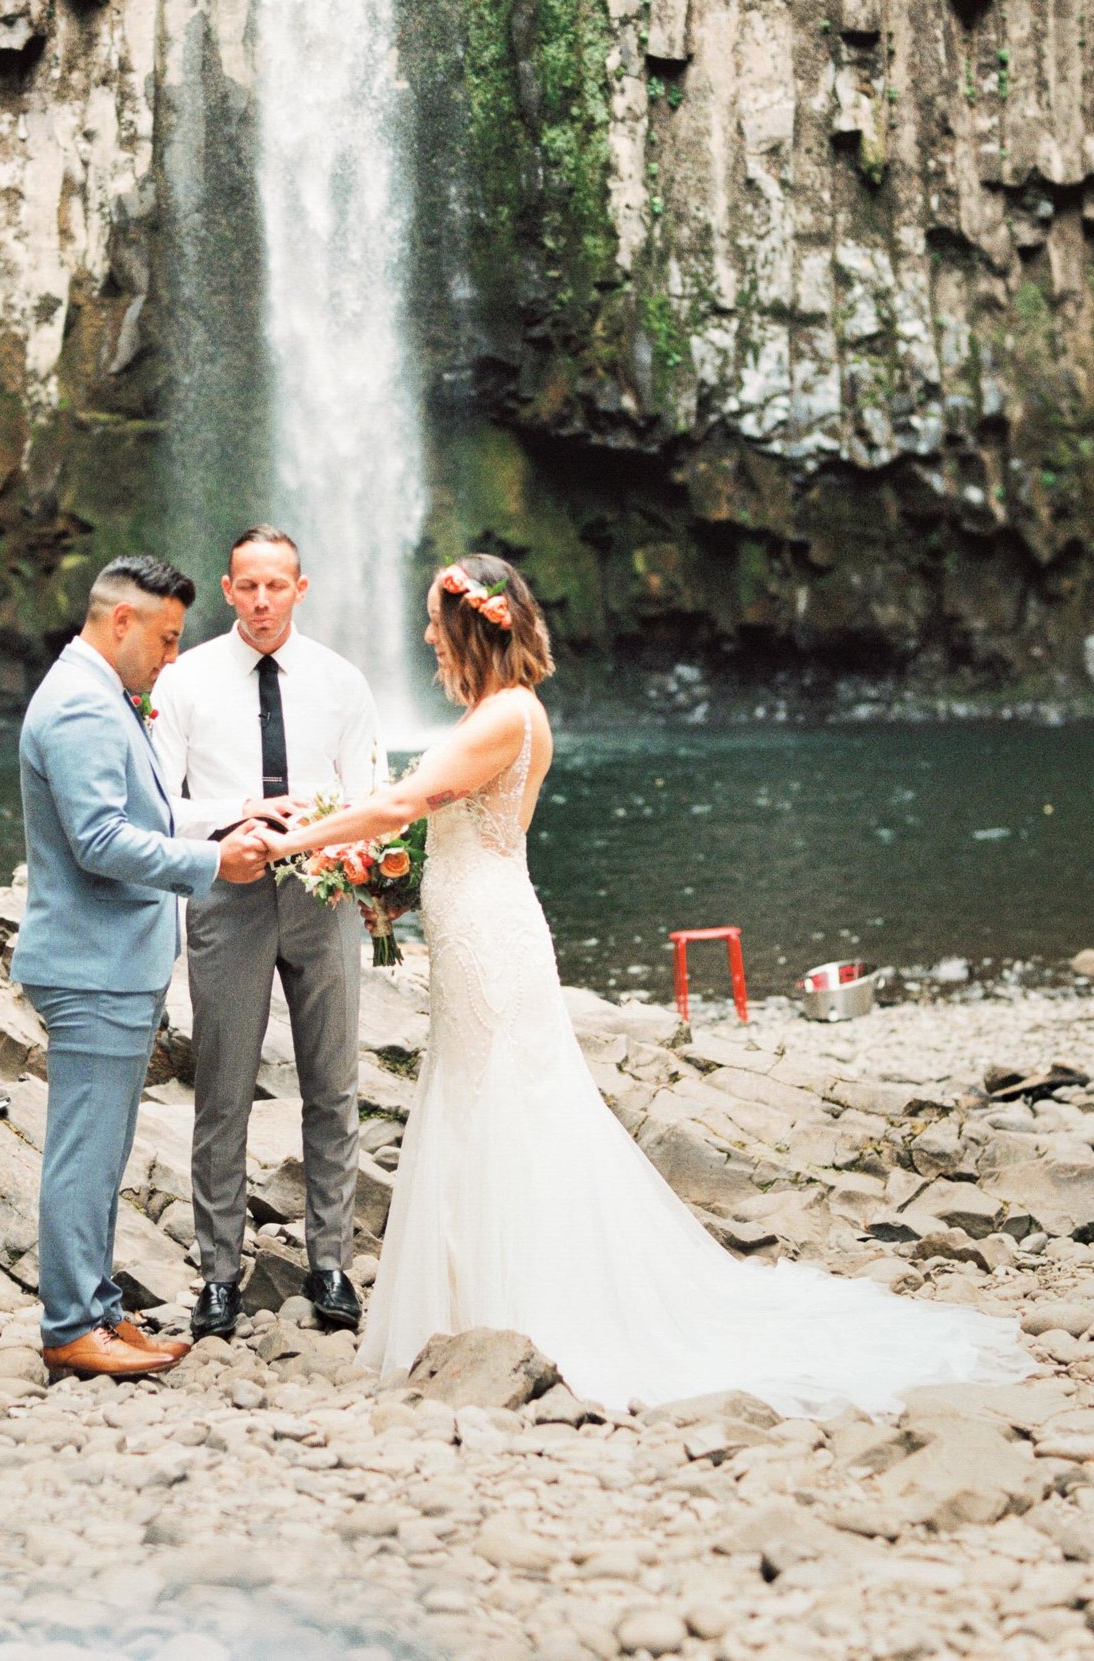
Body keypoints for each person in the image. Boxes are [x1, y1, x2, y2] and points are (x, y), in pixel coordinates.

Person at [259, 554, 1032, 1414]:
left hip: (489, 935)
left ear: (475, 629)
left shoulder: (506, 714)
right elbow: (429, 823)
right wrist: (360, 856)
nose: (429, 636)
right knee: (481, 1098)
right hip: (474, 923)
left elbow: (409, 802)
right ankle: (475, 1309)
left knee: (502, 1106)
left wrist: (299, 841)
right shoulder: (498, 712)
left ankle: (520, 1315)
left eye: (439, 623)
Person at [12, 554, 275, 1379]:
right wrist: (214, 863)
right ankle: (69, 1326)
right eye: (164, 640)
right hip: (91, 964)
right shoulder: (83, 706)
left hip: (109, 960)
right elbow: (97, 842)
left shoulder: (94, 693)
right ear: (119, 620)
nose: (171, 658)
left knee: (103, 1145)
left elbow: (139, 812)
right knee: (84, 1150)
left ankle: (95, 1308)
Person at [150, 526, 385, 1339]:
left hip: (323, 895)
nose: (260, 601)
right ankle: (217, 1274)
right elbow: (158, 806)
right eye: (247, 586)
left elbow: (372, 794)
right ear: (226, 589)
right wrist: (237, 814)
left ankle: (331, 1265)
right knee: (221, 1088)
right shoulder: (184, 683)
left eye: (275, 586)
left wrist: (330, 836)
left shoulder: (342, 682)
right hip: (228, 891)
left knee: (333, 1082)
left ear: (300, 588)